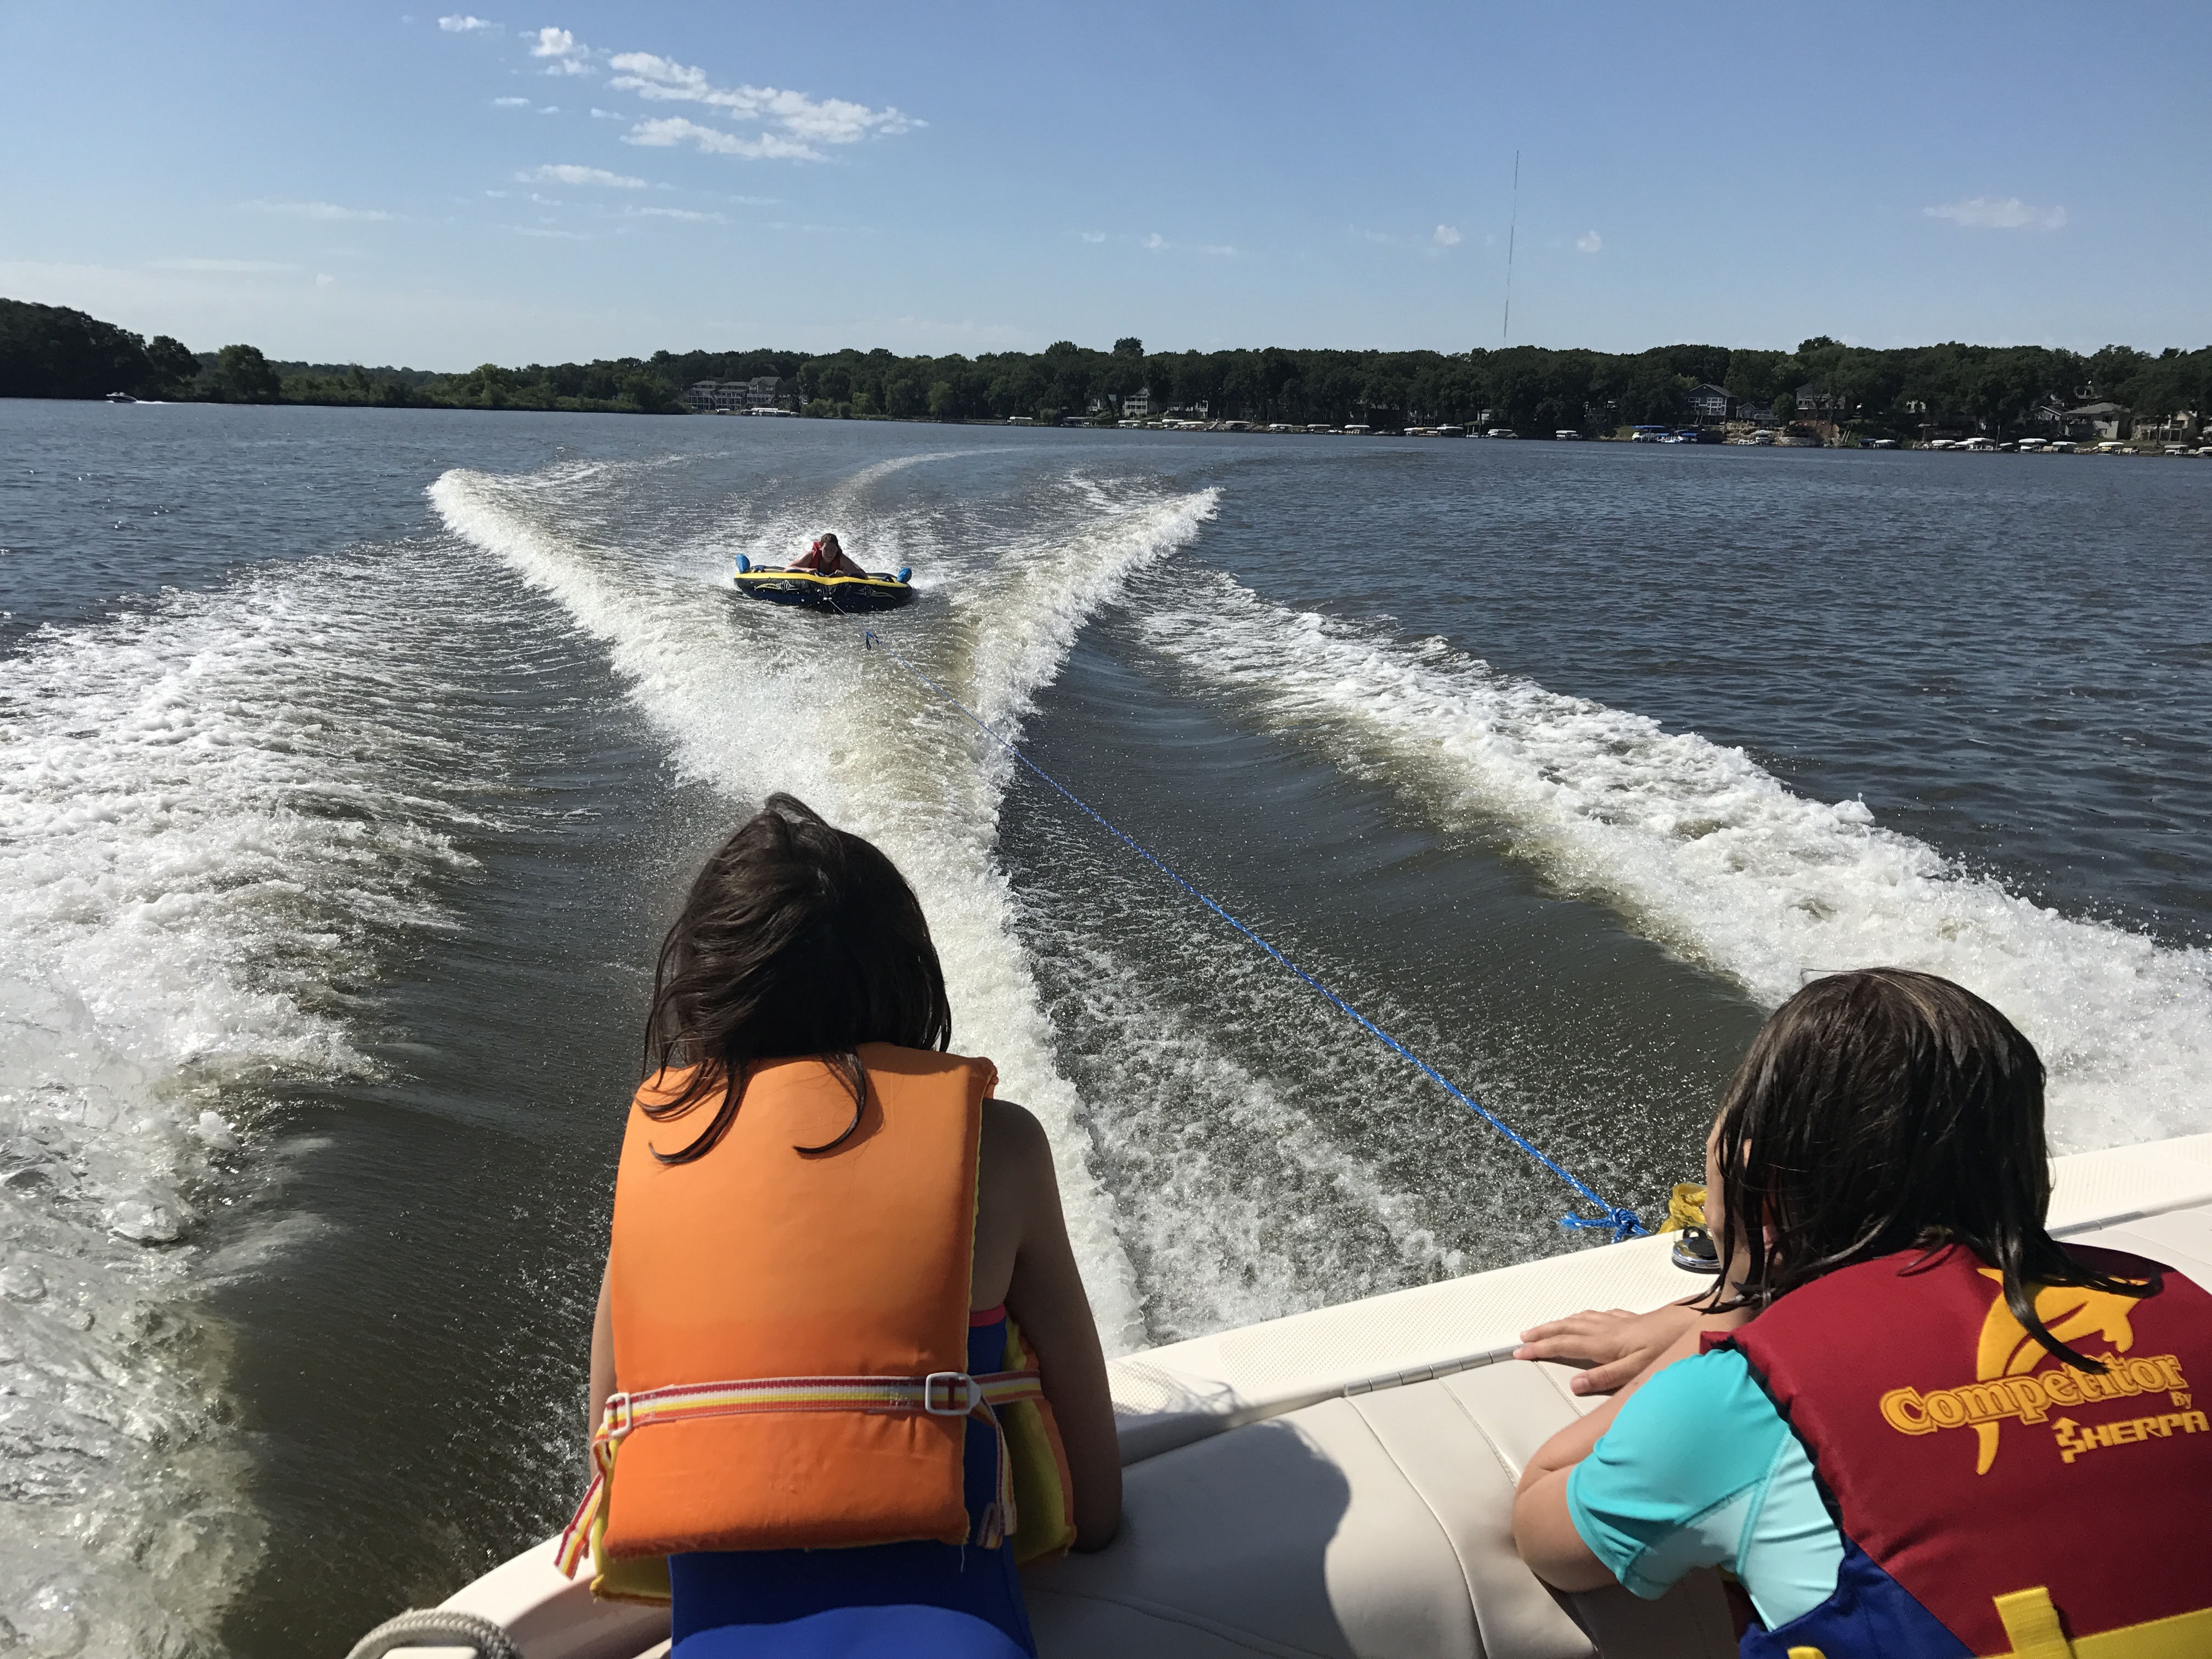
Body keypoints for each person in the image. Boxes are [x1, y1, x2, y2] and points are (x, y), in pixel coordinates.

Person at [1511, 969, 2212, 1658]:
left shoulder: (1745, 1398)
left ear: (1761, 1190)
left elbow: (1544, 1528)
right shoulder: (2177, 1308)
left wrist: (1725, 1326)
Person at [562, 794, 1120, 1658]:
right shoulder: (1000, 1149)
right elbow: (1099, 1502)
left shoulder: (661, 1155)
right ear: (909, 982)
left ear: (703, 986)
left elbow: (612, 1439)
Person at [789, 532, 866, 577]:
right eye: (826, 549)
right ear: (820, 548)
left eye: (832, 549)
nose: (829, 552)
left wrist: (845, 574)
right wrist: (806, 570)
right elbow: (789, 568)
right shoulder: (811, 556)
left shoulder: (841, 559)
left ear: (837, 549)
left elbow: (862, 574)